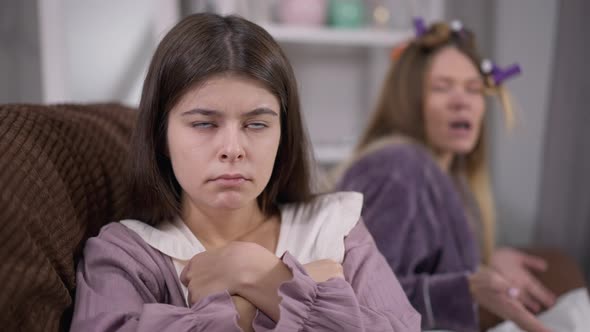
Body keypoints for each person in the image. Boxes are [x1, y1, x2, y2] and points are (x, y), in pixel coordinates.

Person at [69, 13, 420, 332]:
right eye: (204, 123)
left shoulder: (335, 227)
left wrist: (256, 274)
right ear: (161, 136)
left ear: (283, 135)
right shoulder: (127, 252)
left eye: (256, 124)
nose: (233, 148)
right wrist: (268, 299)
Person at [335, 19, 557, 332]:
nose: (461, 101)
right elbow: (361, 299)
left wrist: (487, 263)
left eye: (473, 89)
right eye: (442, 87)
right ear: (409, 100)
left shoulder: (447, 179)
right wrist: (468, 290)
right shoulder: (399, 168)